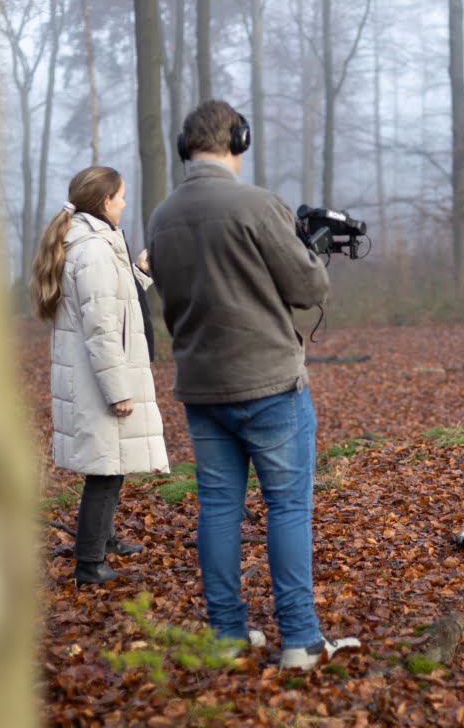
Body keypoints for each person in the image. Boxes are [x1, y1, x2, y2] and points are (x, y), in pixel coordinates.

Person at [147, 99, 360, 670]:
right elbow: (307, 289)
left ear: (184, 147)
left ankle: (226, 636)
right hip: (268, 381)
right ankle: (300, 639)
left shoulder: (161, 216)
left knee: (218, 509)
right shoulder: (259, 205)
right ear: (238, 140)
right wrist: (313, 254)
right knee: (287, 507)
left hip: (201, 384)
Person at [31, 166, 170, 585]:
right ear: (105, 201)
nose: (125, 202)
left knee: (112, 462)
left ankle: (104, 540)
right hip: (98, 378)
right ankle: (89, 564)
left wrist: (140, 274)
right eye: (121, 196)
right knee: (105, 472)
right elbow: (101, 328)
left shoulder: (94, 245)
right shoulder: (91, 250)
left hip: (95, 374)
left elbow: (114, 305)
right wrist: (118, 389)